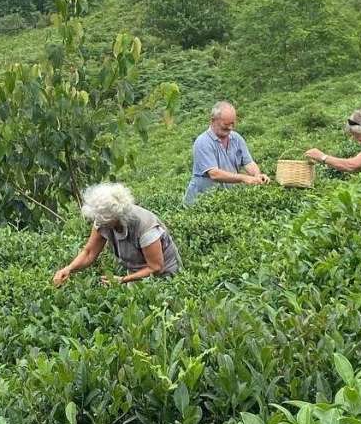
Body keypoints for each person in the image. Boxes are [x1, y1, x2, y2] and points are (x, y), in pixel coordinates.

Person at [53, 182, 181, 287]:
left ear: (115, 217)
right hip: (136, 275)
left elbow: (156, 267)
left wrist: (123, 279)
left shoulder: (144, 226)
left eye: (103, 221)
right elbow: (89, 253)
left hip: (165, 277)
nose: (99, 223)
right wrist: (69, 269)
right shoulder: (103, 220)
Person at [183, 101, 270, 206]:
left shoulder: (236, 138)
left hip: (226, 199)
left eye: (232, 123)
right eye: (225, 124)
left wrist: (257, 175)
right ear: (213, 121)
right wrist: (244, 178)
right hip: (201, 202)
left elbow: (248, 163)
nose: (230, 128)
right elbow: (214, 174)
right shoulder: (203, 142)